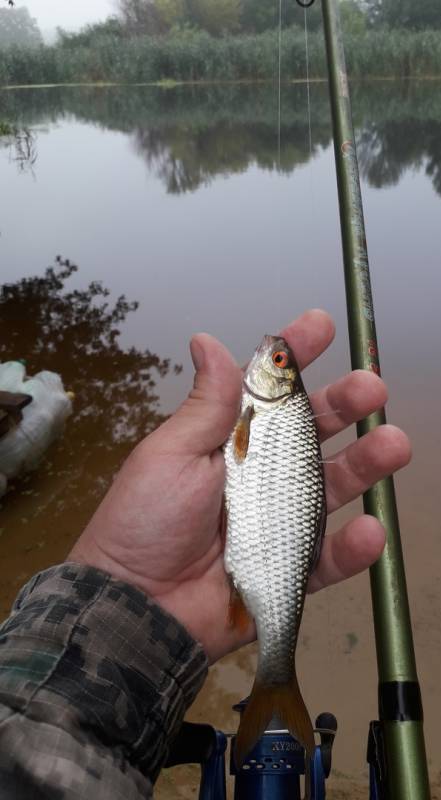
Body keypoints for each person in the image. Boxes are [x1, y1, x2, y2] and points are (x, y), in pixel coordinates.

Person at [0, 310, 411, 799]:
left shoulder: (262, 415)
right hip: (261, 555)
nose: (272, 355)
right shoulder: (258, 414)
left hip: (270, 552)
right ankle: (276, 684)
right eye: (282, 360)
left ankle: (276, 681)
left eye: (278, 360)